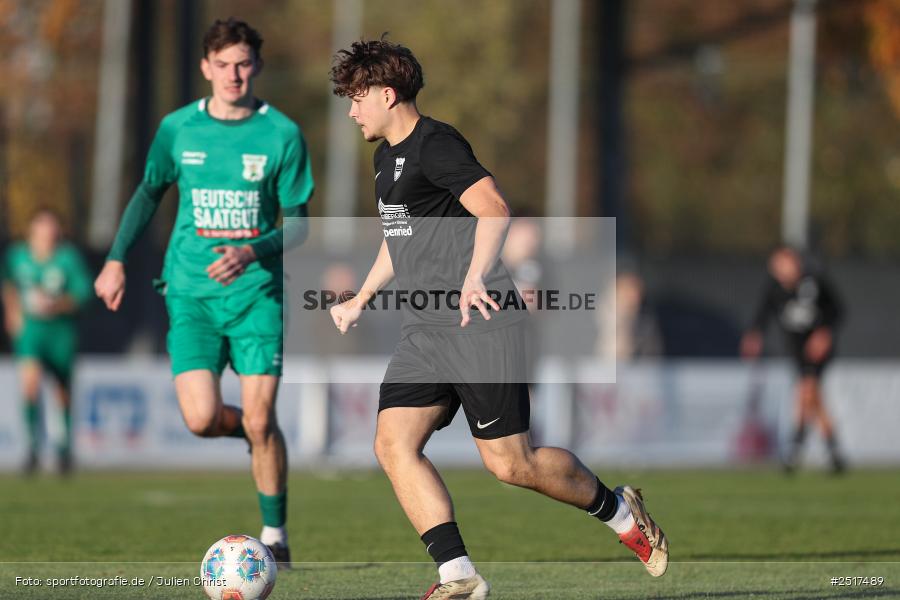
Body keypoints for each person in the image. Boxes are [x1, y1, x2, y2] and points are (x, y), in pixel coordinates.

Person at [328, 38, 667, 599]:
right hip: (428, 331)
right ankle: (457, 575)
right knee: (392, 444)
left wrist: (474, 276)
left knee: (513, 465)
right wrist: (360, 297)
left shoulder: (437, 144)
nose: (351, 110)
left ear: (388, 95)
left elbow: (494, 207)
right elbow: (399, 237)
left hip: (481, 322)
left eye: (357, 97)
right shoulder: (384, 158)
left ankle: (620, 512)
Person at [93, 18, 313, 565]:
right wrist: (116, 259)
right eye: (222, 64)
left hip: (257, 293)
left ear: (256, 66)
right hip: (189, 293)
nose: (233, 74)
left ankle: (276, 535)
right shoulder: (178, 129)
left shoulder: (281, 134)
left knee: (264, 418)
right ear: (205, 68)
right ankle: (252, 432)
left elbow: (302, 224)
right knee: (199, 419)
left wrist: (249, 251)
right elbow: (148, 194)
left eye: (243, 63)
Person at [2, 208, 92, 475]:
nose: (47, 234)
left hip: (60, 331)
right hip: (31, 330)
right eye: (42, 228)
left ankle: (64, 450)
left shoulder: (68, 258)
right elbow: (8, 284)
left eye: (51, 229)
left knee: (61, 391)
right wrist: (12, 312)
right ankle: (32, 449)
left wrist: (57, 304)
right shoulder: (17, 256)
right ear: (33, 231)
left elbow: (83, 294)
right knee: (29, 384)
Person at [741, 245, 845, 473]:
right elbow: (763, 313)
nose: (779, 270)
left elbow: (837, 310)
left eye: (783, 264)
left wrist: (823, 334)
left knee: (806, 391)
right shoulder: (775, 289)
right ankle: (834, 452)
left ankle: (795, 448)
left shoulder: (814, 283)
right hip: (796, 349)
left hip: (816, 350)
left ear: (795, 263)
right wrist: (754, 335)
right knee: (813, 398)